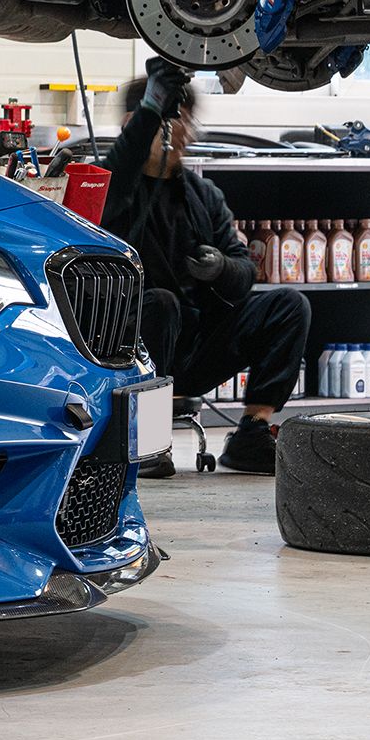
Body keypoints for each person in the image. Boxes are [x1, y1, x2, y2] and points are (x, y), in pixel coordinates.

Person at [101, 58, 311, 475]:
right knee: (159, 303)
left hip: (196, 349)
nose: (184, 131)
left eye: (188, 122)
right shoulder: (109, 183)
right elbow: (120, 172)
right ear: (135, 123)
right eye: (175, 118)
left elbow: (243, 274)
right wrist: (150, 112)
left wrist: (220, 270)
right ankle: (148, 437)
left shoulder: (203, 195)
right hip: (130, 348)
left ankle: (252, 433)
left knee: (290, 304)